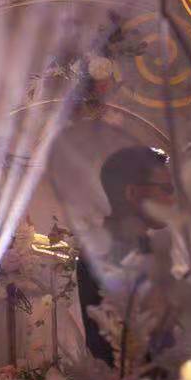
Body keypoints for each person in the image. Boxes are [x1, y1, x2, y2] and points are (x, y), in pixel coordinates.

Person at [76, 145, 173, 366]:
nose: (172, 200)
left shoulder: (139, 245)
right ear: (132, 193)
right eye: (166, 189)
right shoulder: (107, 251)